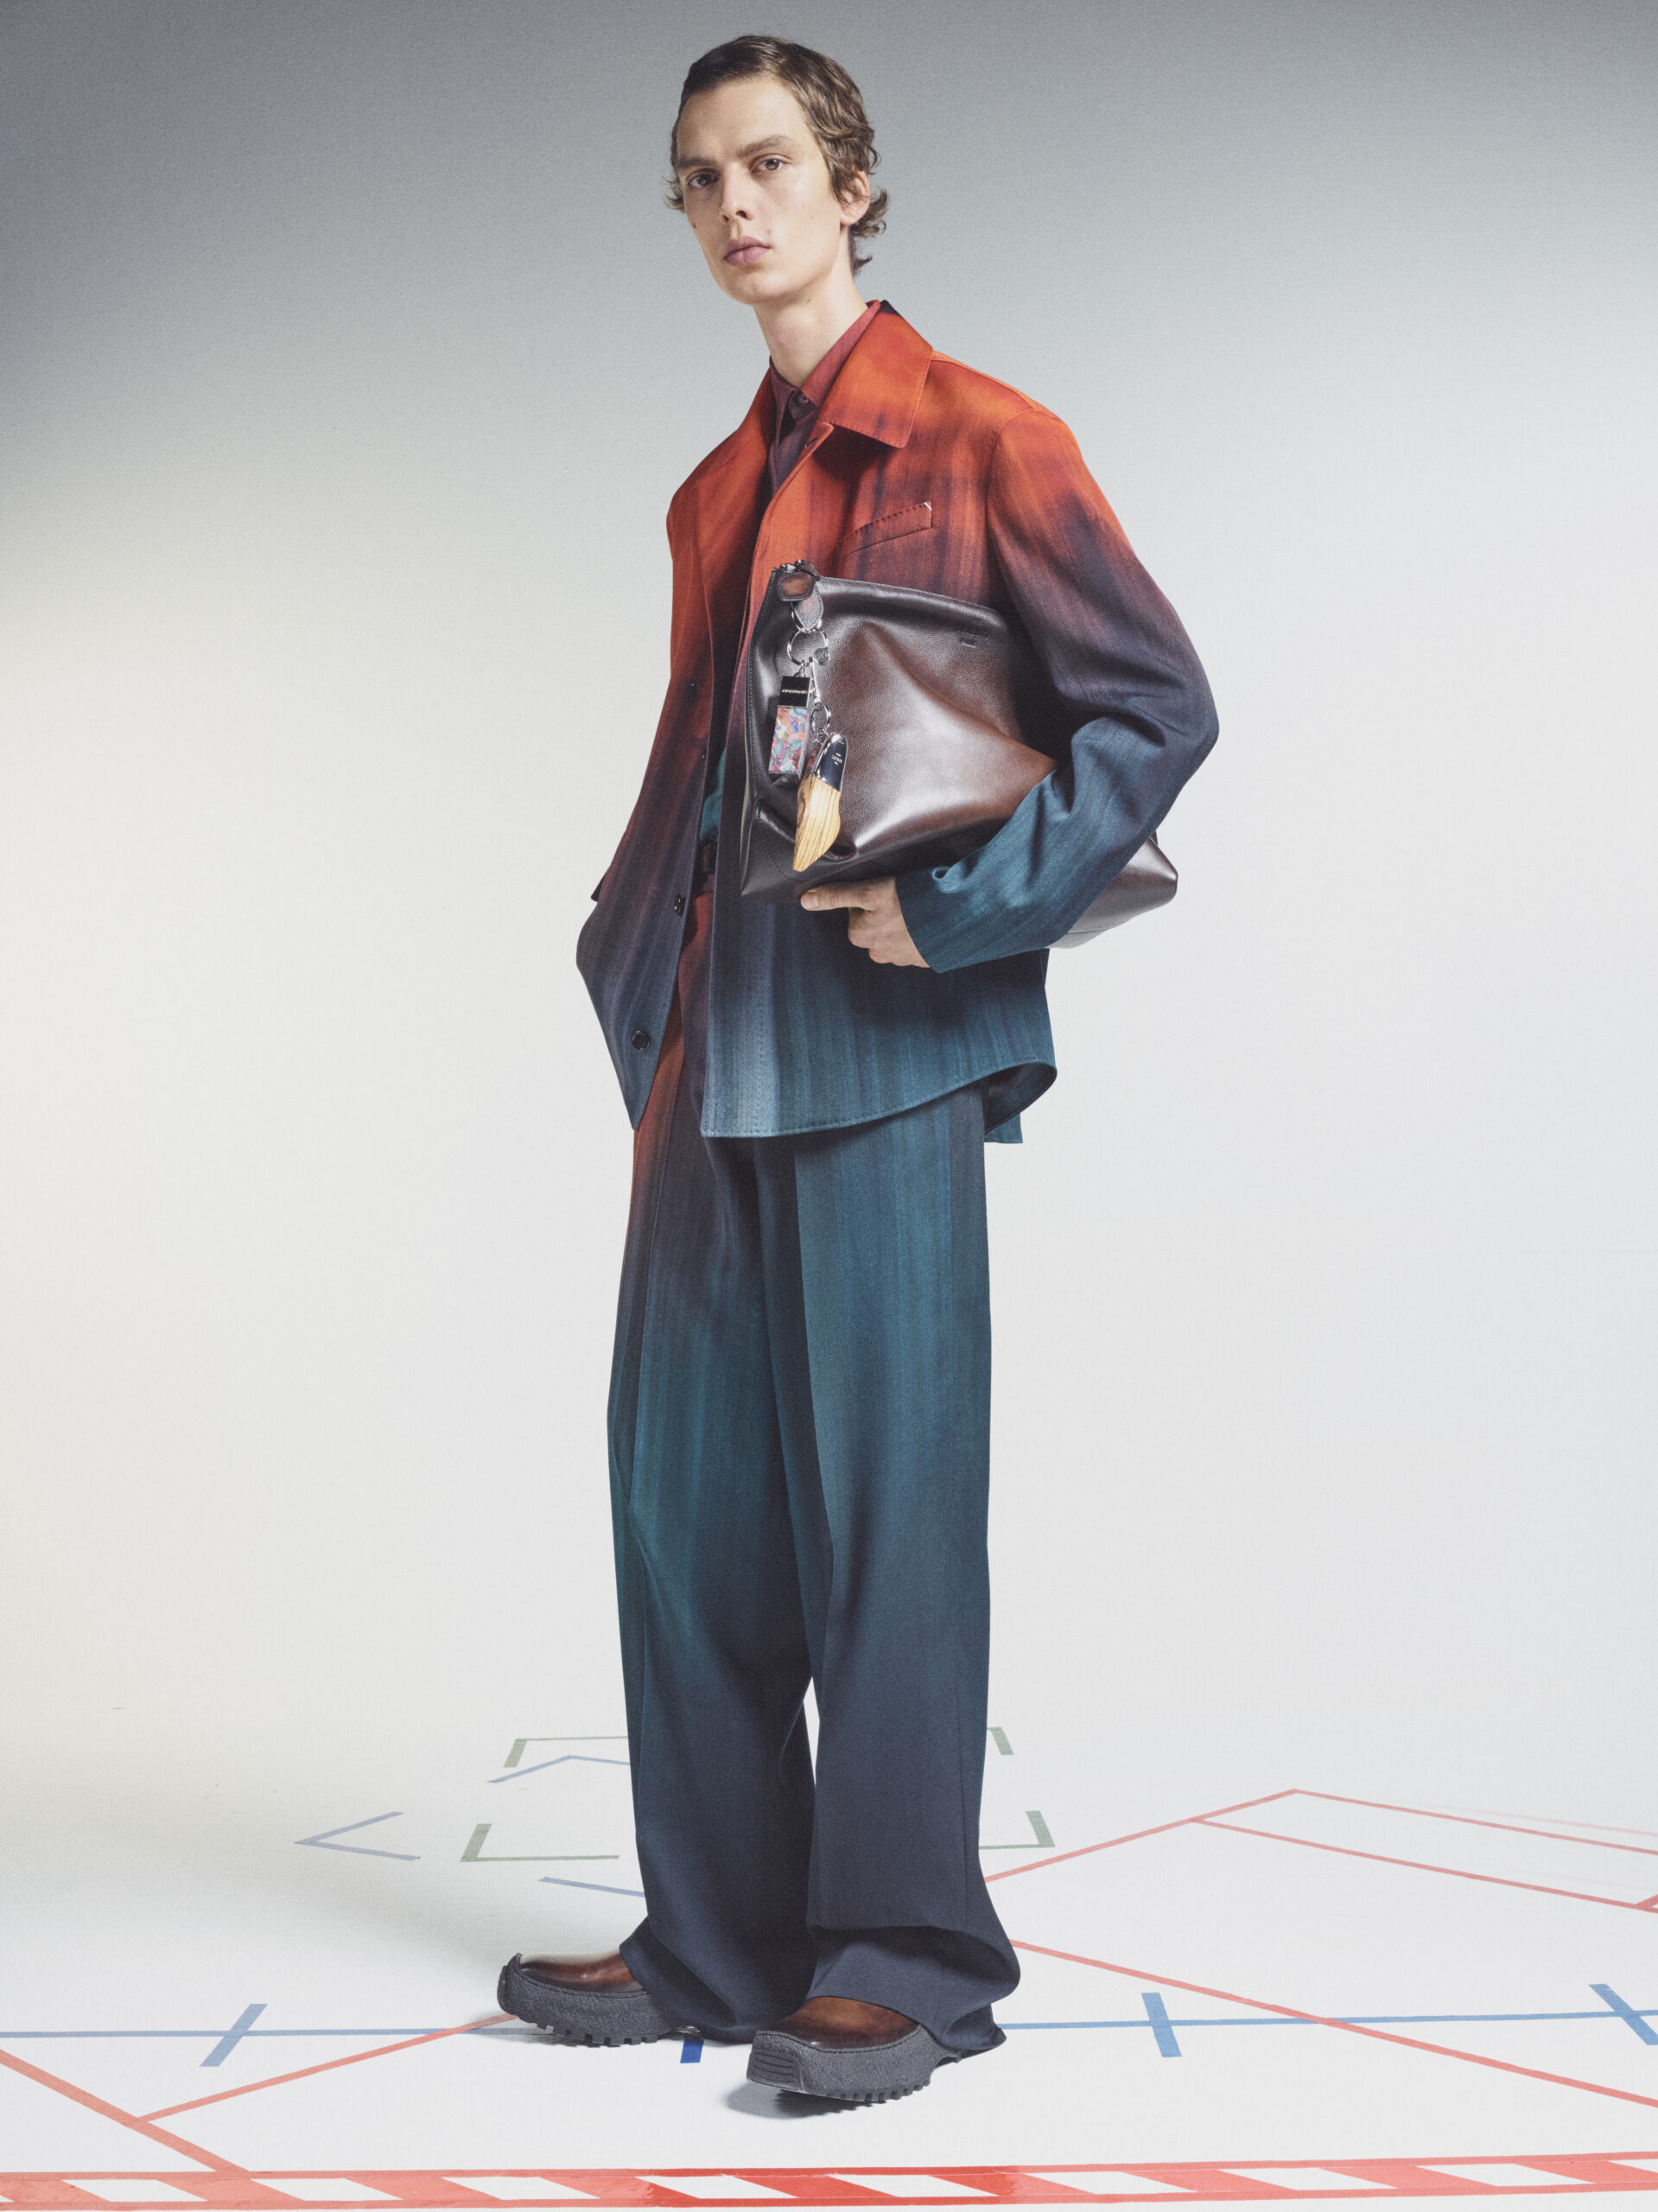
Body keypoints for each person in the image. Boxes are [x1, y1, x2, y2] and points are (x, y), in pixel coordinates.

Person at [498, 34, 1217, 2105]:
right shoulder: (712, 492)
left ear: (851, 185)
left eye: (769, 164)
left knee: (891, 1516)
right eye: (699, 176)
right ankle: (716, 1936)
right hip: (707, 1056)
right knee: (680, 1512)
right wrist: (634, 972)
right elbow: (721, 767)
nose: (735, 205)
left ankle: (903, 1958)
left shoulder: (985, 436)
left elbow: (1154, 709)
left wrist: (973, 906)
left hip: (881, 1057)